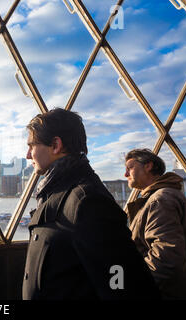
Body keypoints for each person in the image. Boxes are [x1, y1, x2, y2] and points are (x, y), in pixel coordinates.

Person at [22, 108, 159, 300]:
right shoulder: (57, 193)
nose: (28, 155)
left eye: (31, 146)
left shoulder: (87, 202)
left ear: (55, 145)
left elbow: (121, 283)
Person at [124, 148, 186, 299]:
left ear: (148, 166)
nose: (126, 174)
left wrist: (131, 286)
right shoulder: (162, 196)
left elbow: (166, 260)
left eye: (130, 167)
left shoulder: (160, 200)